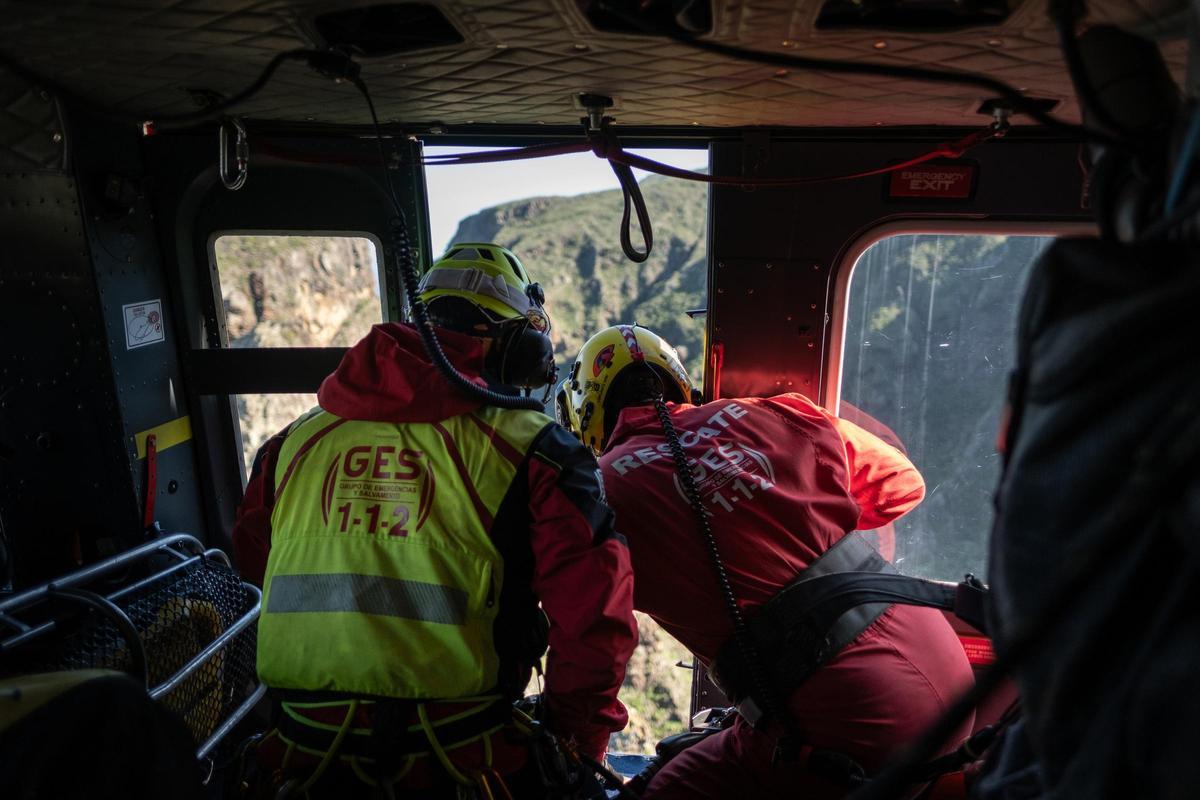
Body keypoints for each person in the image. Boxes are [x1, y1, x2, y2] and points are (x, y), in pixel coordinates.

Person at [232, 244, 637, 797]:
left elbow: (253, 575)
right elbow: (595, 626)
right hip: (466, 768)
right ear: (520, 349)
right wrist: (573, 747)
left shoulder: (289, 447)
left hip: (299, 764)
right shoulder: (539, 454)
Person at [557, 324, 975, 799]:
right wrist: (795, 517)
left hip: (849, 718)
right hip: (948, 667)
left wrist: (581, 759)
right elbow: (901, 483)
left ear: (584, 417)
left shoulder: (602, 494)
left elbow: (593, 646)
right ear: (678, 382)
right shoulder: (774, 411)